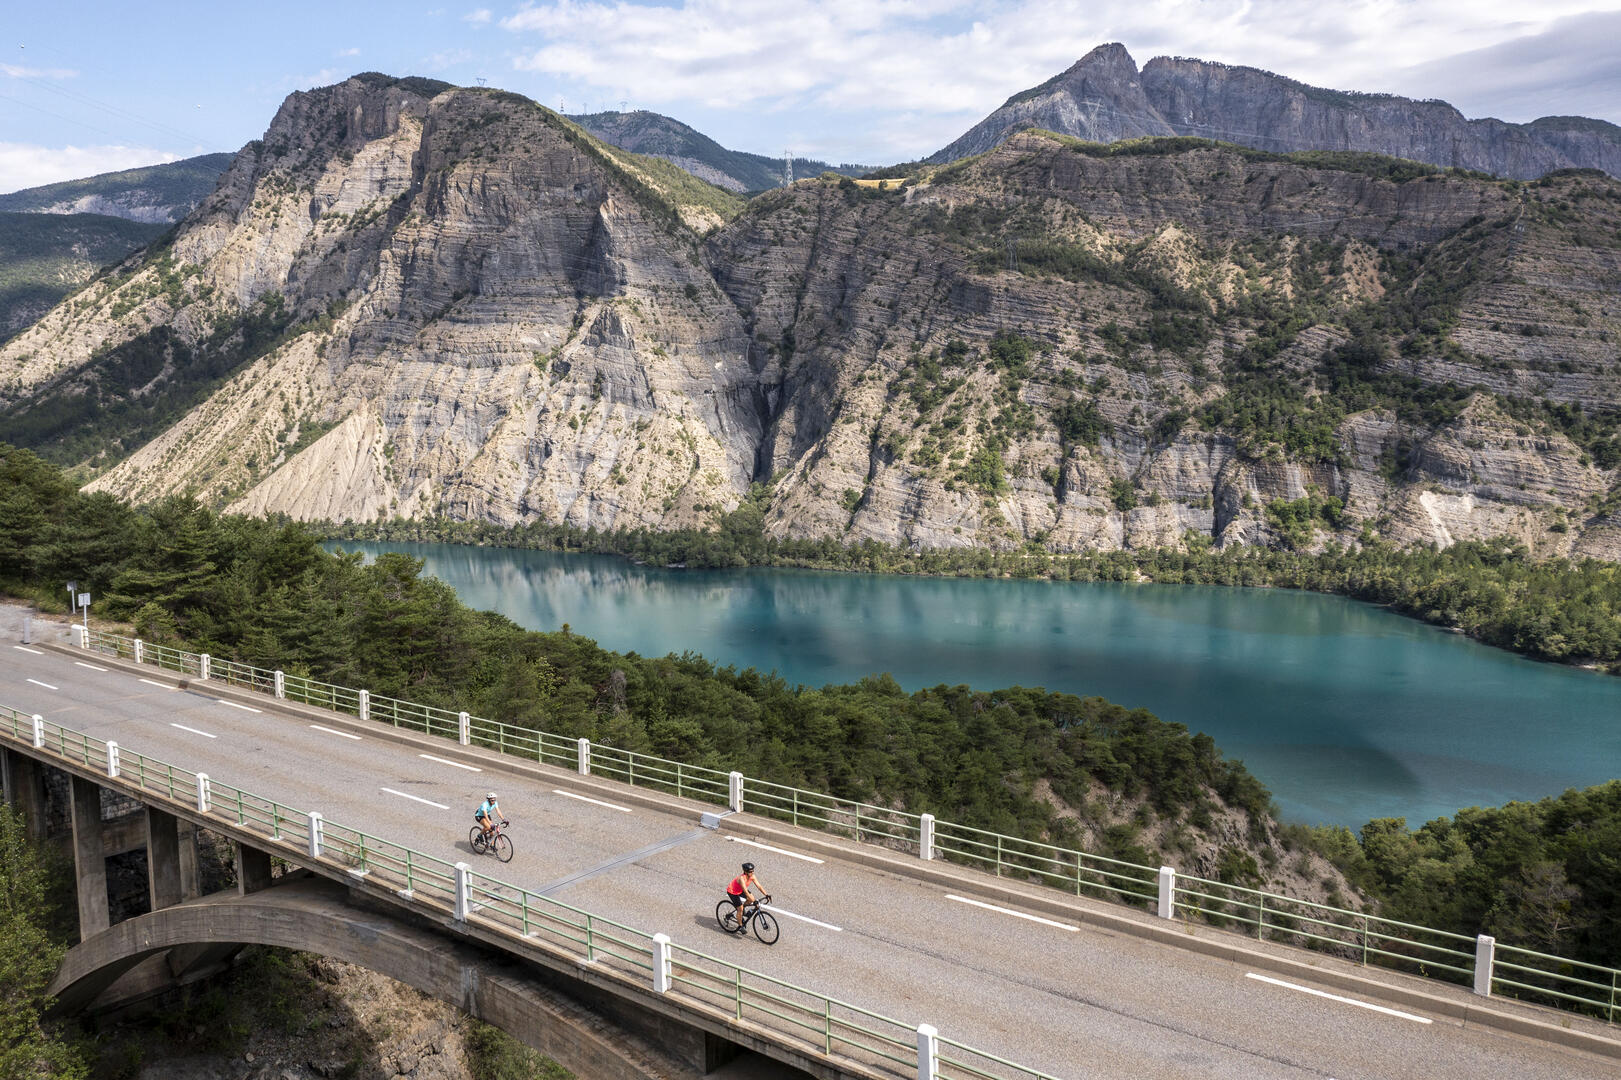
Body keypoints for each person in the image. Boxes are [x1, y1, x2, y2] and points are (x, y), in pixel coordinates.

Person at [724, 861, 768, 932]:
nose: (752, 873)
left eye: (753, 871)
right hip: (732, 892)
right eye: (751, 871)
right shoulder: (741, 879)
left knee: (751, 899)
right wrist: (755, 902)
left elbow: (759, 886)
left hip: (740, 890)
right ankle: (740, 926)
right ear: (746, 872)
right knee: (740, 908)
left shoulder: (752, 876)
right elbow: (746, 892)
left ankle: (742, 911)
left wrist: (766, 894)